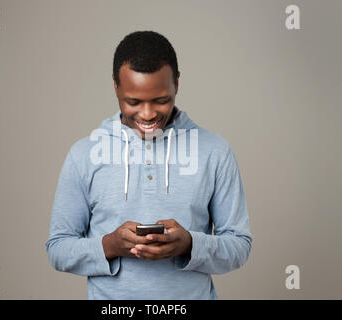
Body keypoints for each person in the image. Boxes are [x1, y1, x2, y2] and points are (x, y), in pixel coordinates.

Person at [45, 30, 253, 299]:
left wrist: (190, 244)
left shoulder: (215, 151)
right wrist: (110, 246)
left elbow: (240, 246)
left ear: (176, 84)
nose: (147, 114)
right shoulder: (84, 154)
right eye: (133, 102)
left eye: (161, 100)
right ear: (115, 86)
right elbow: (58, 248)